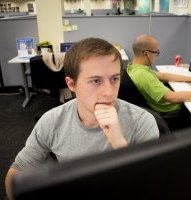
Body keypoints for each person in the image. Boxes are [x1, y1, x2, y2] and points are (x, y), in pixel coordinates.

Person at [5, 37, 159, 199]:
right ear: (71, 84)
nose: (109, 91)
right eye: (96, 81)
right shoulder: (52, 121)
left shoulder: (142, 122)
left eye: (114, 79)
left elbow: (149, 187)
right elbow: (17, 172)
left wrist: (119, 143)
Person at [127, 34, 191, 129]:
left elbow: (163, 75)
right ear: (146, 53)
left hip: (164, 108)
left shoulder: (134, 67)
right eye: (156, 52)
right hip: (171, 111)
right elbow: (172, 97)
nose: (156, 55)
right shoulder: (143, 75)